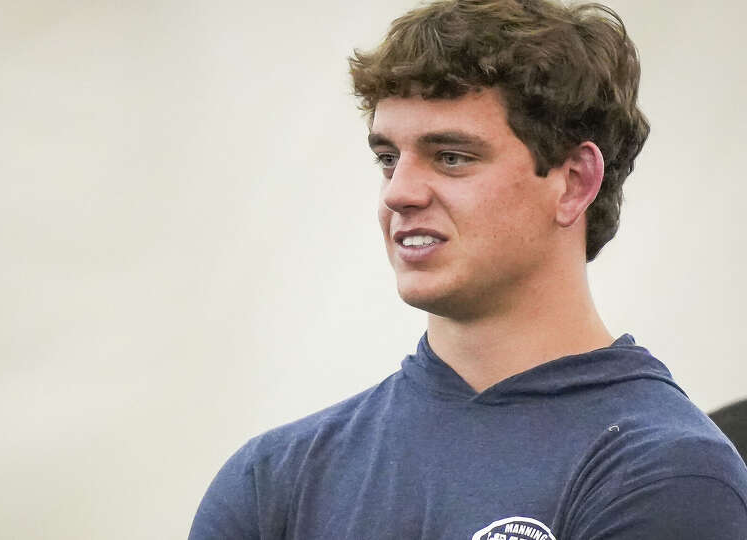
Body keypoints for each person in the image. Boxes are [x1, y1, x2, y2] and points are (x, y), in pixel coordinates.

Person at [188, 0, 747, 537]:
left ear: (574, 182)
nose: (400, 192)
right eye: (388, 159)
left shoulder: (665, 472)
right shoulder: (273, 478)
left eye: (451, 157)